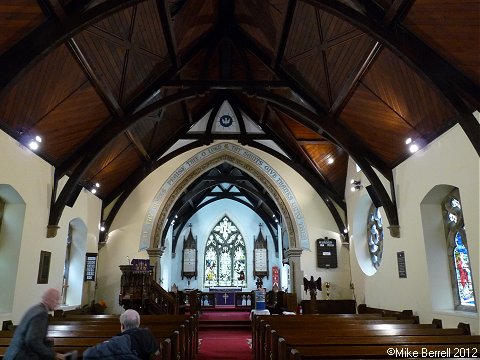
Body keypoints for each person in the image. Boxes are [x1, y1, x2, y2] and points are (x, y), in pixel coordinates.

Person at [4, 288, 65, 360]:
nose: (58, 303)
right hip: (22, 356)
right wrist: (53, 355)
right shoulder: (41, 314)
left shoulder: (35, 309)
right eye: (56, 299)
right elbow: (32, 341)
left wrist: (44, 340)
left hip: (14, 354)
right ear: (49, 299)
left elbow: (31, 335)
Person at [83, 309, 159, 360]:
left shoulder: (120, 341)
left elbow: (88, 355)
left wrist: (106, 343)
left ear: (122, 325)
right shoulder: (149, 336)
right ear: (138, 324)